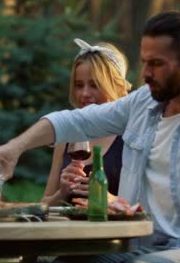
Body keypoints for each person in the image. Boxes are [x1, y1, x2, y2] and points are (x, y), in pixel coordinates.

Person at [0, 11, 180, 263]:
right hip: (140, 242)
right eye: (144, 62)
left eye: (156, 64)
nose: (146, 73)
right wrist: (14, 148)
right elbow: (74, 121)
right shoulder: (141, 103)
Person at [41, 39, 131, 206]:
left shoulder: (130, 136)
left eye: (94, 85)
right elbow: (44, 204)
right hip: (71, 231)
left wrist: (108, 199)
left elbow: (147, 206)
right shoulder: (68, 135)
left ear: (115, 85)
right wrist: (62, 192)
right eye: (79, 85)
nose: (84, 94)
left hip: (114, 231)